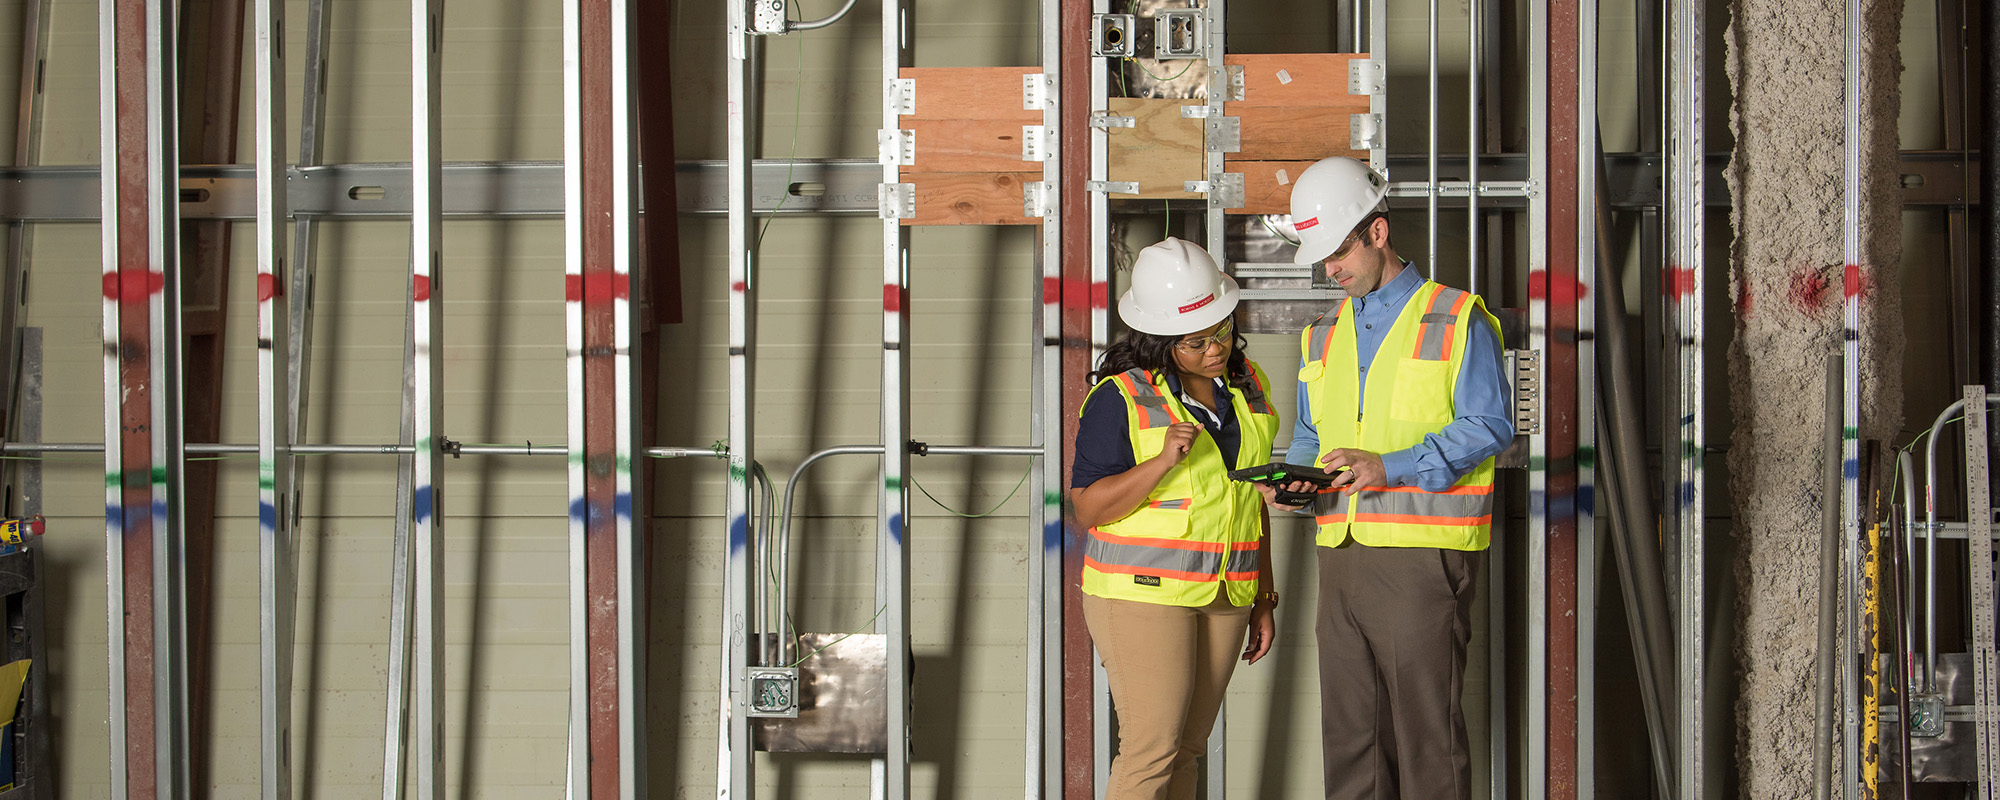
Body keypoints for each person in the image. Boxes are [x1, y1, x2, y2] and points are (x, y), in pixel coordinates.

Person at [1262, 156, 1514, 800]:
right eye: (1321, 258)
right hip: (1340, 556)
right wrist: (1295, 483)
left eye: (1337, 251)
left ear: (1377, 233)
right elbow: (1316, 441)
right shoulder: (1321, 336)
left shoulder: (1456, 318)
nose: (1329, 269)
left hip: (1421, 558)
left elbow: (1489, 425)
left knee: (1426, 738)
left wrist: (1389, 466)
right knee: (1351, 740)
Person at [1070, 237, 1281, 800]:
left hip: (1224, 594)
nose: (1215, 348)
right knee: (1152, 747)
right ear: (1161, 341)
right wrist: (1163, 460)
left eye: (1222, 331)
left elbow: (1248, 500)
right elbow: (1088, 508)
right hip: (1141, 594)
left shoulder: (1247, 385)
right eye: (1195, 342)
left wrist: (1263, 594)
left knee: (1187, 750)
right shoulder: (1122, 398)